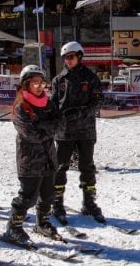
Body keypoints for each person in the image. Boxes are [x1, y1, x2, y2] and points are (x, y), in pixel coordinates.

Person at [50, 41, 106, 224]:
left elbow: (98, 101)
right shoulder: (59, 80)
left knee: (87, 166)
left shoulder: (90, 78)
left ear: (80, 56)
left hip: (85, 131)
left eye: (71, 57)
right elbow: (52, 104)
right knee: (60, 167)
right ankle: (57, 202)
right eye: (65, 57)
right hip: (64, 132)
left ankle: (89, 202)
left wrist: (82, 112)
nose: (68, 60)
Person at [5, 65, 60, 243]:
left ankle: (42, 223)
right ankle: (13, 228)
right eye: (34, 82)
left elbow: (61, 124)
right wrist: (48, 127)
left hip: (49, 157)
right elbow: (31, 135)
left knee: (48, 194)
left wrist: (44, 126)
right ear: (26, 84)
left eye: (41, 82)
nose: (39, 86)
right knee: (28, 197)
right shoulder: (21, 107)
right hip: (30, 160)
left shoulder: (48, 104)